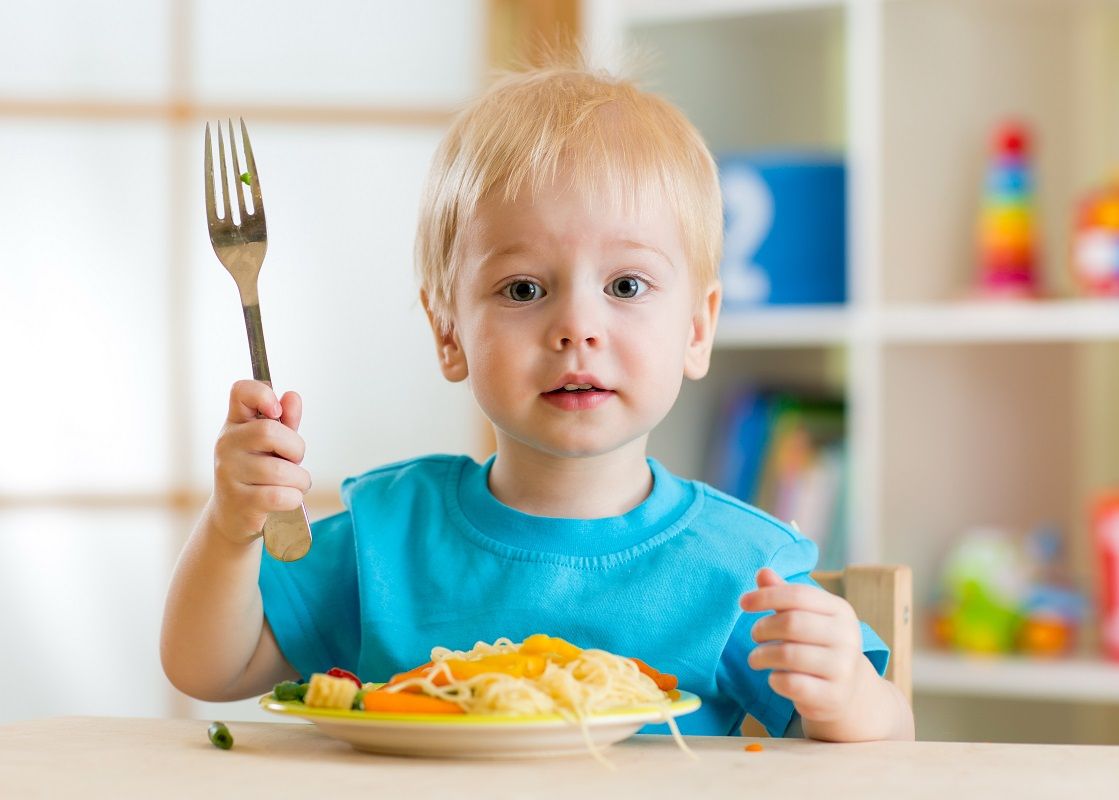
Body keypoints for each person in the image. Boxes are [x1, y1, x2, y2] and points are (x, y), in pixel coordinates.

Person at [161, 58, 915, 742]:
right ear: (448, 331)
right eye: (523, 289)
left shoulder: (741, 568)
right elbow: (210, 671)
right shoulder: (387, 534)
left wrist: (847, 695)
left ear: (696, 327)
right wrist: (232, 529)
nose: (576, 328)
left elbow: (889, 747)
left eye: (625, 286)